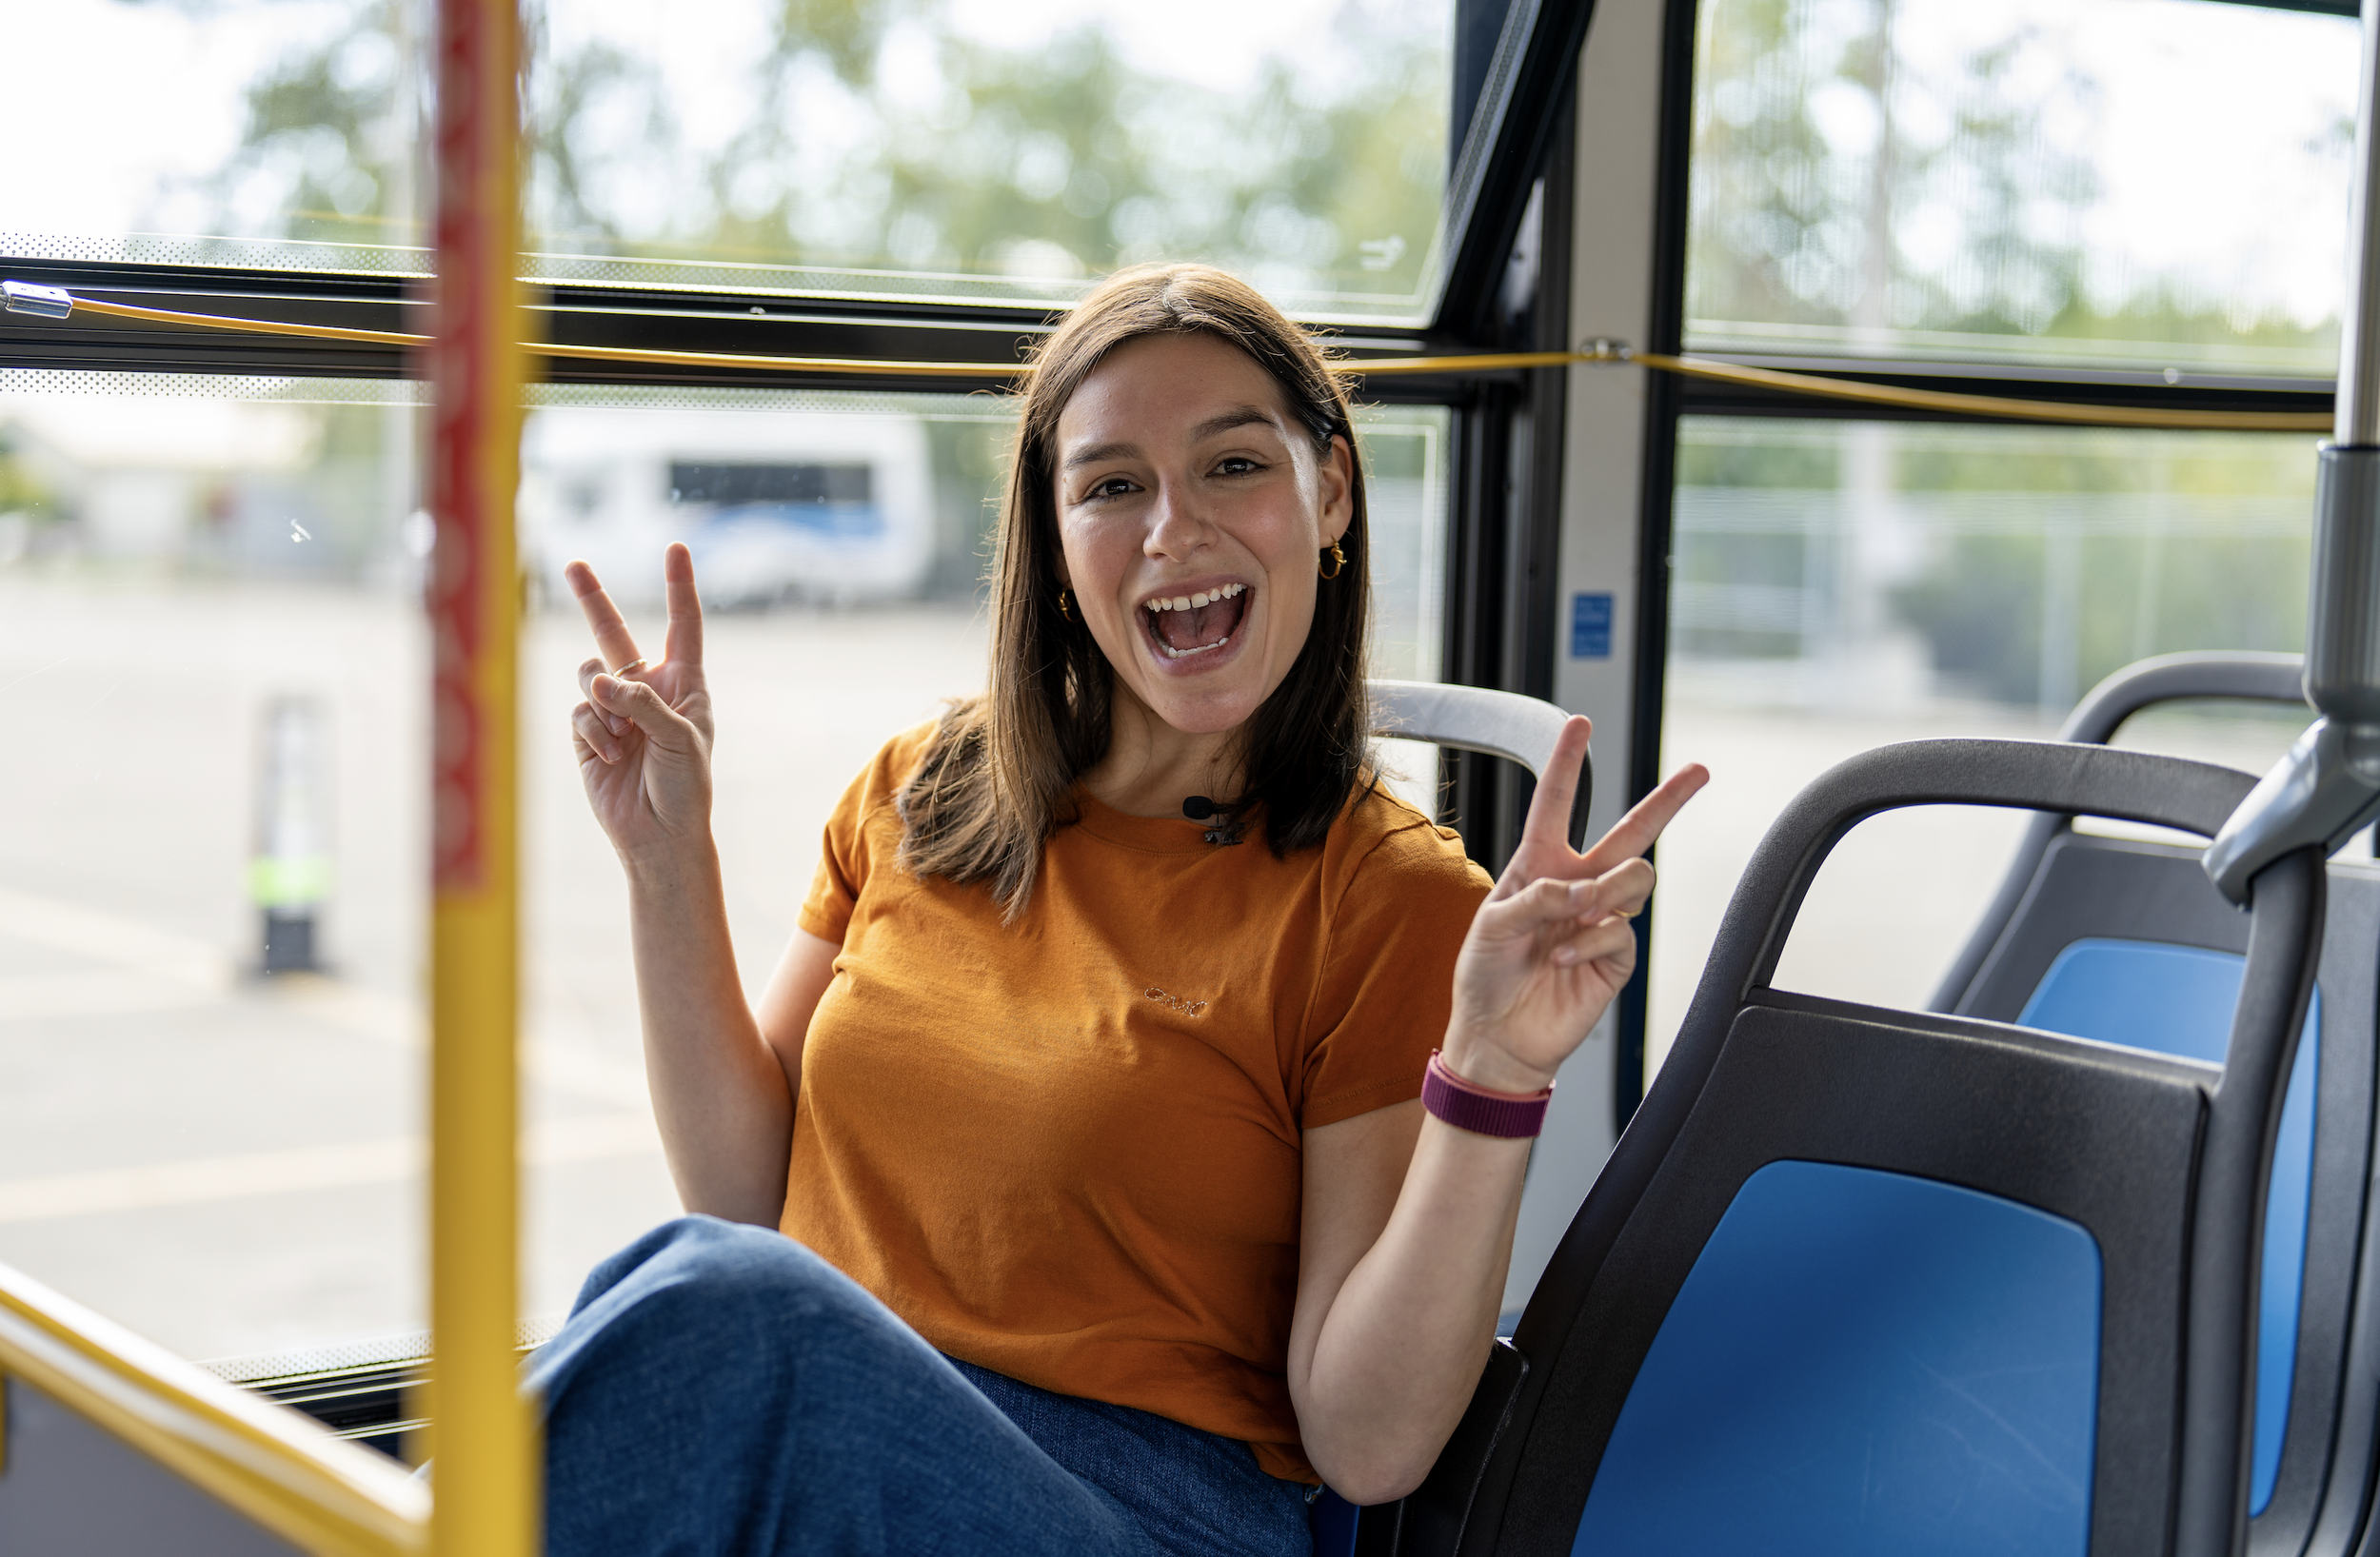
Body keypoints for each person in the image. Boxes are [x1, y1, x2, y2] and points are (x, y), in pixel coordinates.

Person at [544, 263, 1707, 1557]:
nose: (1174, 529)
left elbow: (1368, 1444)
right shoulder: (921, 790)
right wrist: (665, 862)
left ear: (1328, 493)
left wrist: (1493, 1069)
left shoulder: (1391, 900)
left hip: (1139, 1513)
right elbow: (742, 1199)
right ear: (1053, 543)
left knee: (721, 1310)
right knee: (672, 1283)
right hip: (848, 1442)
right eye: (1110, 486)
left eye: (1232, 467)